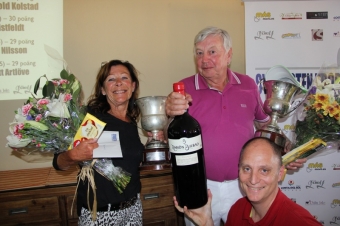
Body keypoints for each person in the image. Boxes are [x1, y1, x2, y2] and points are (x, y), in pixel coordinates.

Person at [165, 26, 306, 226]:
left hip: (244, 186)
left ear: (229, 55)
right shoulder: (184, 88)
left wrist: (285, 149)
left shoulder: (248, 85)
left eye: (212, 52)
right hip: (201, 186)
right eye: (199, 53)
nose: (204, 59)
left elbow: (265, 124)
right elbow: (168, 133)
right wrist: (170, 113)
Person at [53, 60, 145, 225]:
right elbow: (59, 162)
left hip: (133, 208)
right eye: (111, 79)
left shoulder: (131, 120)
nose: (118, 83)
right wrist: (72, 155)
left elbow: (129, 160)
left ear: (133, 86)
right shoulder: (90, 117)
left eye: (124, 77)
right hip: (100, 214)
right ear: (103, 89)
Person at [174, 137, 322, 226]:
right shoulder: (238, 209)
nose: (253, 179)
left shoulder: (299, 222)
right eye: (246, 169)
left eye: (264, 170)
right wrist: (206, 222)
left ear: (280, 173)